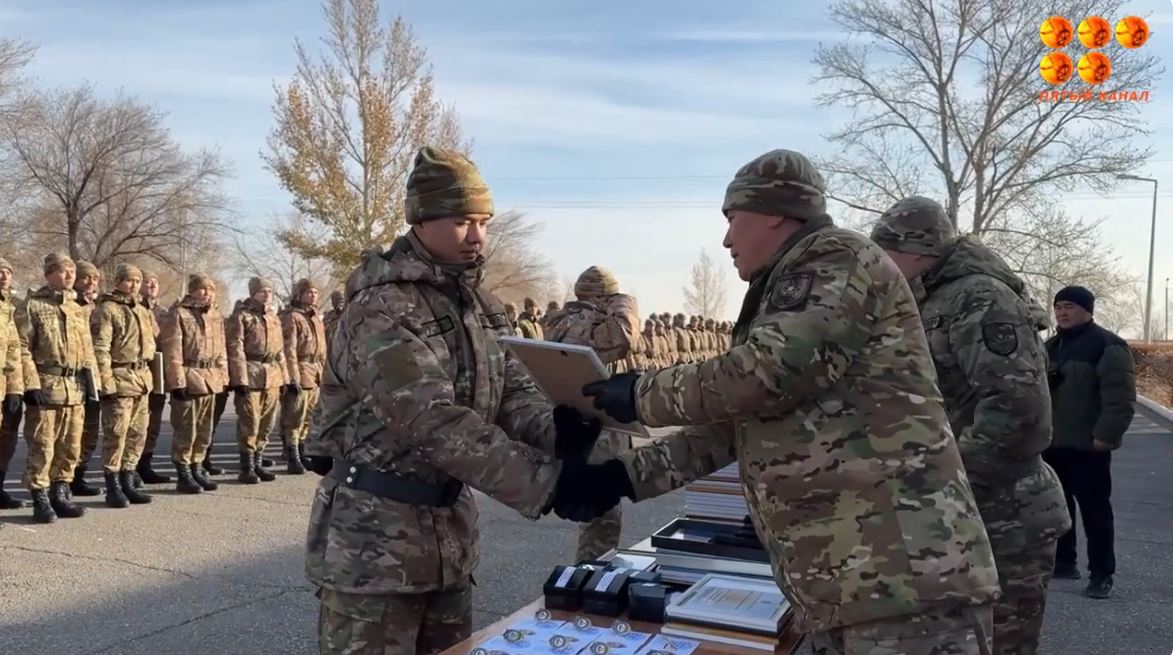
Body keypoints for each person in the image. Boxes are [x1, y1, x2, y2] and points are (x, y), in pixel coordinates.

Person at [576, 149, 1000, 654]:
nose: (726, 239)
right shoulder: (789, 284)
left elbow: (767, 374)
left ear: (774, 212)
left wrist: (640, 394)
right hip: (852, 587)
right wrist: (620, 477)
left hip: (905, 584)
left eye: (732, 219)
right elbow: (738, 420)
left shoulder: (836, 256)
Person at [304, 146, 602, 655]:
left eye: (483, 222)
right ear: (420, 220)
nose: (477, 236)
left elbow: (512, 391)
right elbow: (433, 421)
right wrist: (549, 483)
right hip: (372, 548)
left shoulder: (480, 306)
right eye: (462, 221)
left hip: (448, 541)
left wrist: (560, 434)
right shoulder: (380, 309)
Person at [870, 197, 1071, 654]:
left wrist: (940, 485)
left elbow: (1020, 414)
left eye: (884, 254)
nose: (879, 267)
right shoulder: (928, 296)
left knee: (999, 644)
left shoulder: (980, 297)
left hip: (1004, 521)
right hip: (958, 518)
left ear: (916, 250)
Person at [1044, 285, 1136, 599]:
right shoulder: (1050, 347)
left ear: (1087, 309)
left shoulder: (1108, 346)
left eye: (1069, 306)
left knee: (1095, 512)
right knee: (1059, 507)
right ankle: (1064, 561)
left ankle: (1101, 573)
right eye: (1058, 307)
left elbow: (1120, 399)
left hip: (1089, 445)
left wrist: (1105, 435)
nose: (1062, 312)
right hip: (1052, 444)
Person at [544, 265, 640, 563]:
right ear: (600, 298)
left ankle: (592, 571)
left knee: (602, 520)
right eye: (610, 297)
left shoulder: (566, 320)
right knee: (602, 523)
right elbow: (624, 336)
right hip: (593, 433)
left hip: (588, 430)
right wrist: (625, 301)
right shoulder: (581, 323)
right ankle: (589, 577)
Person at [16, 253, 98, 523]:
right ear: (48, 274)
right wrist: (30, 384)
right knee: (43, 445)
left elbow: (88, 351)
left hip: (75, 389)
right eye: (63, 271)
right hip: (47, 388)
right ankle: (40, 498)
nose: (70, 275)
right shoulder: (33, 306)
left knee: (70, 446)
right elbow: (22, 348)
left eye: (72, 271)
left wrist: (94, 387)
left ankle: (60, 494)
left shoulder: (77, 308)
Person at [90, 263, 156, 507]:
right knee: (116, 435)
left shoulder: (142, 309)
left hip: (141, 380)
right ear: (118, 281)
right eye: (129, 280)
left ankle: (128, 480)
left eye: (138, 281)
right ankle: (113, 486)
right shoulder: (107, 309)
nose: (134, 285)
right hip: (119, 379)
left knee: (138, 434)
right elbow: (100, 349)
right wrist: (105, 383)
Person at [160, 274, 229, 494]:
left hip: (211, 378)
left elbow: (222, 350)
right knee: (186, 429)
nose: (207, 293)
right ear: (192, 291)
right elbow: (172, 351)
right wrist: (177, 381)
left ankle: (197, 467)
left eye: (211, 289)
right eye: (202, 289)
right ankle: (183, 472)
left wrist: (224, 378)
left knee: (204, 429)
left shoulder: (215, 315)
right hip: (189, 376)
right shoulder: (179, 314)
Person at [226, 277, 288, 484]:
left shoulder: (273, 317)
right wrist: (240, 379)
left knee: (267, 423)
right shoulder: (242, 316)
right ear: (253, 293)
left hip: (272, 375)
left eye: (269, 291)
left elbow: (280, 351)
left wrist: (285, 377)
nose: (267, 295)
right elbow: (235, 348)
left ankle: (258, 462)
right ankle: (247, 467)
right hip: (251, 373)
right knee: (249, 421)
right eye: (262, 291)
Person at [278, 278, 325, 474]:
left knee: (308, 417)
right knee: (294, 417)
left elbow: (322, 350)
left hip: (315, 372)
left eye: (315, 292)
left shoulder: (316, 318)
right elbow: (288, 350)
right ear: (300, 295)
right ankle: (293, 455)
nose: (313, 296)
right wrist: (292, 377)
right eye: (309, 292)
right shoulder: (292, 317)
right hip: (300, 369)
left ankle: (302, 451)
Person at [0, 257, 31, 509]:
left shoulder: (8, 308)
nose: (3, 277)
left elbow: (14, 351)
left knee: (6, 441)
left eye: (7, 272)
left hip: (5, 385)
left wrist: (15, 389)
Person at [71, 260, 103, 497]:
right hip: (72, 376)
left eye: (95, 279)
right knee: (70, 432)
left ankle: (79, 475)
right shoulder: (69, 306)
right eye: (85, 278)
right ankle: (63, 479)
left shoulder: (99, 306)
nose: (91, 283)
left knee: (90, 429)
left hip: (95, 374)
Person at [136, 270, 172, 484]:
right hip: (136, 373)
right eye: (147, 282)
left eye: (155, 282)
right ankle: (129, 466)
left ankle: (145, 463)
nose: (152, 285)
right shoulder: (133, 308)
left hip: (157, 373)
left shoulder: (164, 312)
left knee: (154, 421)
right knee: (135, 423)